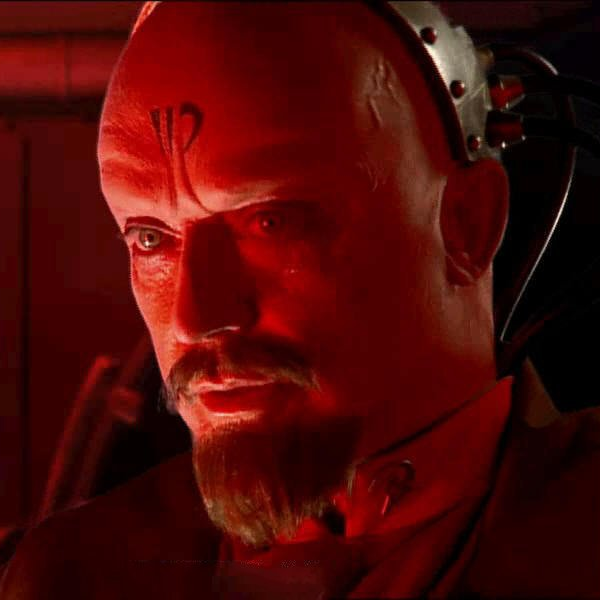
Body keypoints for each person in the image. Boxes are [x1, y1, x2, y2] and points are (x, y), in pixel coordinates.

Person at [2, 2, 599, 598]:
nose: (195, 319)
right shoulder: (73, 575)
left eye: (271, 222)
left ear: (468, 224)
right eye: (151, 240)